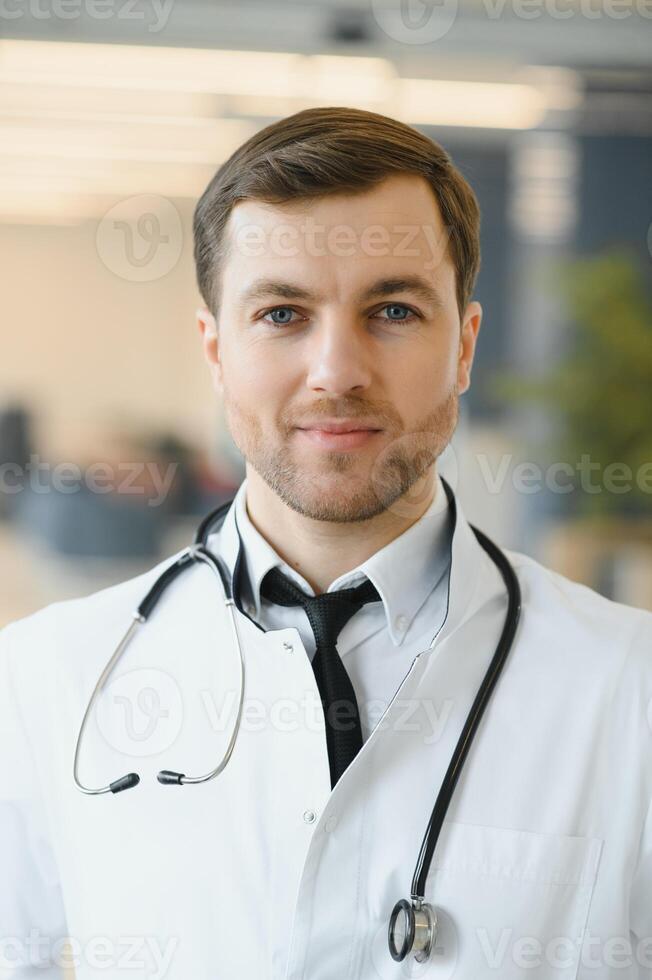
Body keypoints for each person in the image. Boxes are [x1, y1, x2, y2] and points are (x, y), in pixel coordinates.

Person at [1, 105, 650, 980]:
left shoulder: (630, 691)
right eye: (281, 314)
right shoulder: (46, 679)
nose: (338, 371)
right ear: (216, 349)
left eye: (391, 309)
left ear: (464, 347)